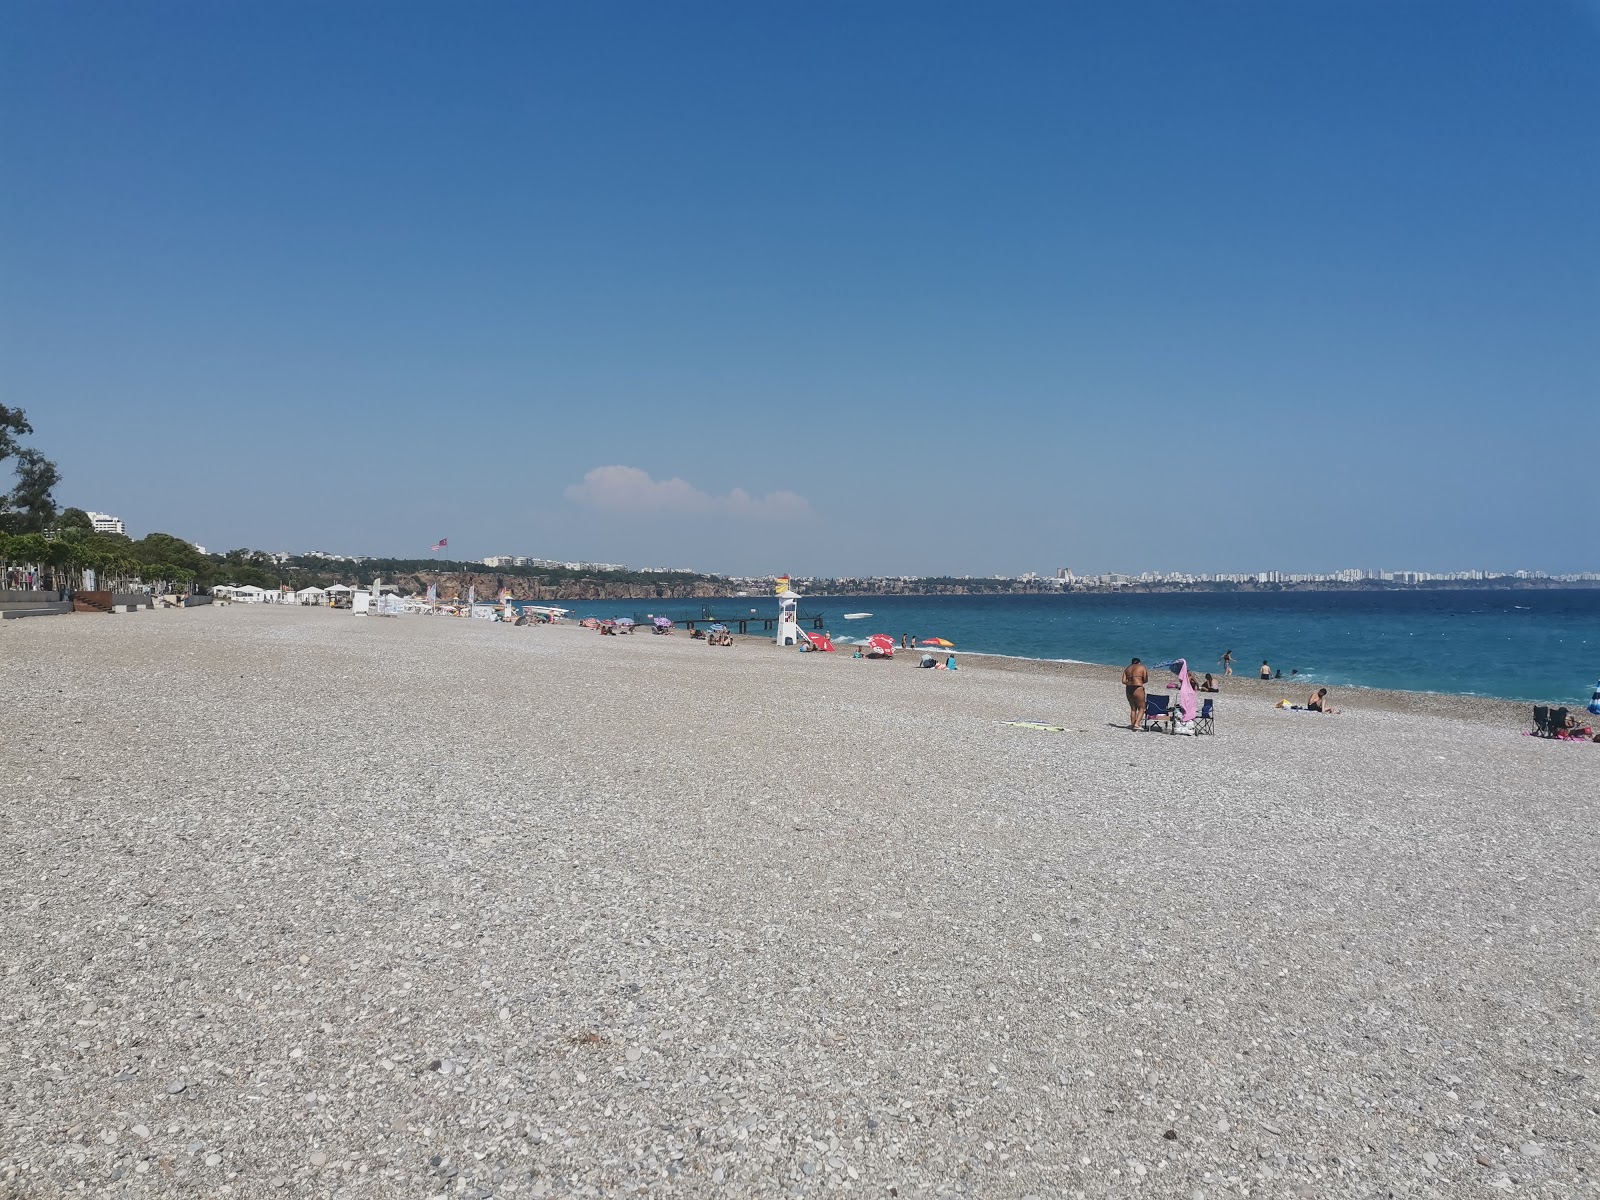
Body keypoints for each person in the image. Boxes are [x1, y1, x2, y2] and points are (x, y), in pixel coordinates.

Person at [1123, 657, 1148, 730]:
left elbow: (1123, 681)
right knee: (1142, 708)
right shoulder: (1142, 667)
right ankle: (1137, 724)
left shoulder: (1127, 669)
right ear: (1139, 662)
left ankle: (1132, 724)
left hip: (1129, 688)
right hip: (1138, 687)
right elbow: (1146, 679)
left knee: (1133, 708)